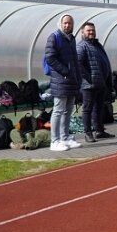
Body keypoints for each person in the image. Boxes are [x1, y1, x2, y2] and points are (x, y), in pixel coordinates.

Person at [44, 14, 82, 152]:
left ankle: (65, 138)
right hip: (61, 80)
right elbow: (50, 57)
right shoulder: (54, 37)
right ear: (61, 23)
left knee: (68, 111)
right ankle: (54, 141)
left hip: (71, 81)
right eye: (65, 23)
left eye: (70, 23)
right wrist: (65, 71)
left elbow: (75, 61)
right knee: (58, 110)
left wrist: (78, 78)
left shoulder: (71, 39)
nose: (67, 25)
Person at [77, 22, 116, 142]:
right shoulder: (81, 46)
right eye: (88, 30)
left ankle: (99, 131)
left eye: (93, 30)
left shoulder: (98, 45)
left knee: (99, 108)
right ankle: (88, 133)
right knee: (87, 109)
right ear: (82, 32)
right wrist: (89, 78)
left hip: (100, 83)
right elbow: (78, 64)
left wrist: (108, 79)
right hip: (88, 85)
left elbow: (105, 63)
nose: (91, 32)